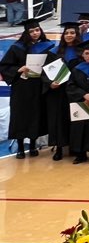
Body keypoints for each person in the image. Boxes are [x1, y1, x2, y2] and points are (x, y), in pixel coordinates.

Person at [0, 18, 54, 157]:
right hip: (22, 87)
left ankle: (32, 145)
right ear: (26, 33)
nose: (35, 33)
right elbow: (4, 66)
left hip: (38, 86)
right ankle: (19, 147)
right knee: (20, 116)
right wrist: (19, 69)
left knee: (36, 114)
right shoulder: (17, 47)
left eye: (37, 30)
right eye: (31, 31)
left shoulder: (48, 46)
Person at [43, 22, 82, 161]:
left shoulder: (82, 52)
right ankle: (59, 148)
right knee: (58, 119)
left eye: (72, 33)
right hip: (58, 92)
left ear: (77, 35)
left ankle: (76, 148)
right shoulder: (54, 52)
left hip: (76, 91)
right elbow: (45, 72)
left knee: (76, 118)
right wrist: (50, 83)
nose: (69, 35)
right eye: (66, 33)